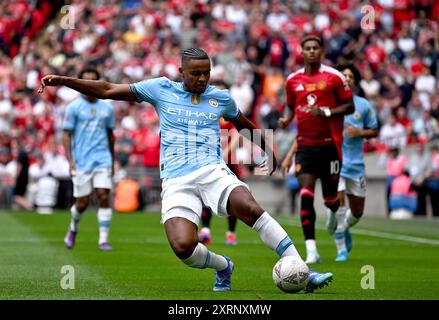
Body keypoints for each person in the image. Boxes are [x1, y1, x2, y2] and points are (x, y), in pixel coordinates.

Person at [39, 47, 333, 293]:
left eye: (206, 72)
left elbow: (242, 123)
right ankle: (223, 266)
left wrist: (270, 150)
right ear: (182, 72)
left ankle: (304, 271)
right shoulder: (160, 89)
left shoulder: (220, 98)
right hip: (177, 180)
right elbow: (105, 90)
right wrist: (65, 80)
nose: (202, 78)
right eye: (196, 73)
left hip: (212, 170)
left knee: (250, 208)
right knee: (183, 247)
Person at [278, 35, 354, 264]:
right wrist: (286, 119)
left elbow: (349, 106)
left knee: (331, 199)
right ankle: (311, 250)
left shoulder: (334, 77)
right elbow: (292, 106)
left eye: (315, 48)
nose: (311, 51)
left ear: (321, 52)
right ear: (301, 52)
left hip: (329, 146)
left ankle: (332, 212)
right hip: (305, 147)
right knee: (306, 193)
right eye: (307, 48)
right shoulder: (292, 80)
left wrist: (327, 112)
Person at [325, 64, 378, 262]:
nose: (347, 78)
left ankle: (344, 227)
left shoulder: (363, 105)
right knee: (339, 206)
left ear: (355, 81)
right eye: (343, 75)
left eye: (350, 76)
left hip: (357, 165)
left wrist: (359, 133)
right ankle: (341, 251)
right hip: (336, 162)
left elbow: (374, 130)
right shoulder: (331, 103)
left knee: (357, 212)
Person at [60, 67, 116, 251]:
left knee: (103, 195)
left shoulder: (107, 107)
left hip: (103, 159)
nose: (89, 85)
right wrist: (70, 161)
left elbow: (110, 135)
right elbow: (67, 135)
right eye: (86, 81)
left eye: (93, 81)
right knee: (82, 203)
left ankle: (103, 240)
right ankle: (73, 228)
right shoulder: (73, 107)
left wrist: (112, 159)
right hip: (82, 160)